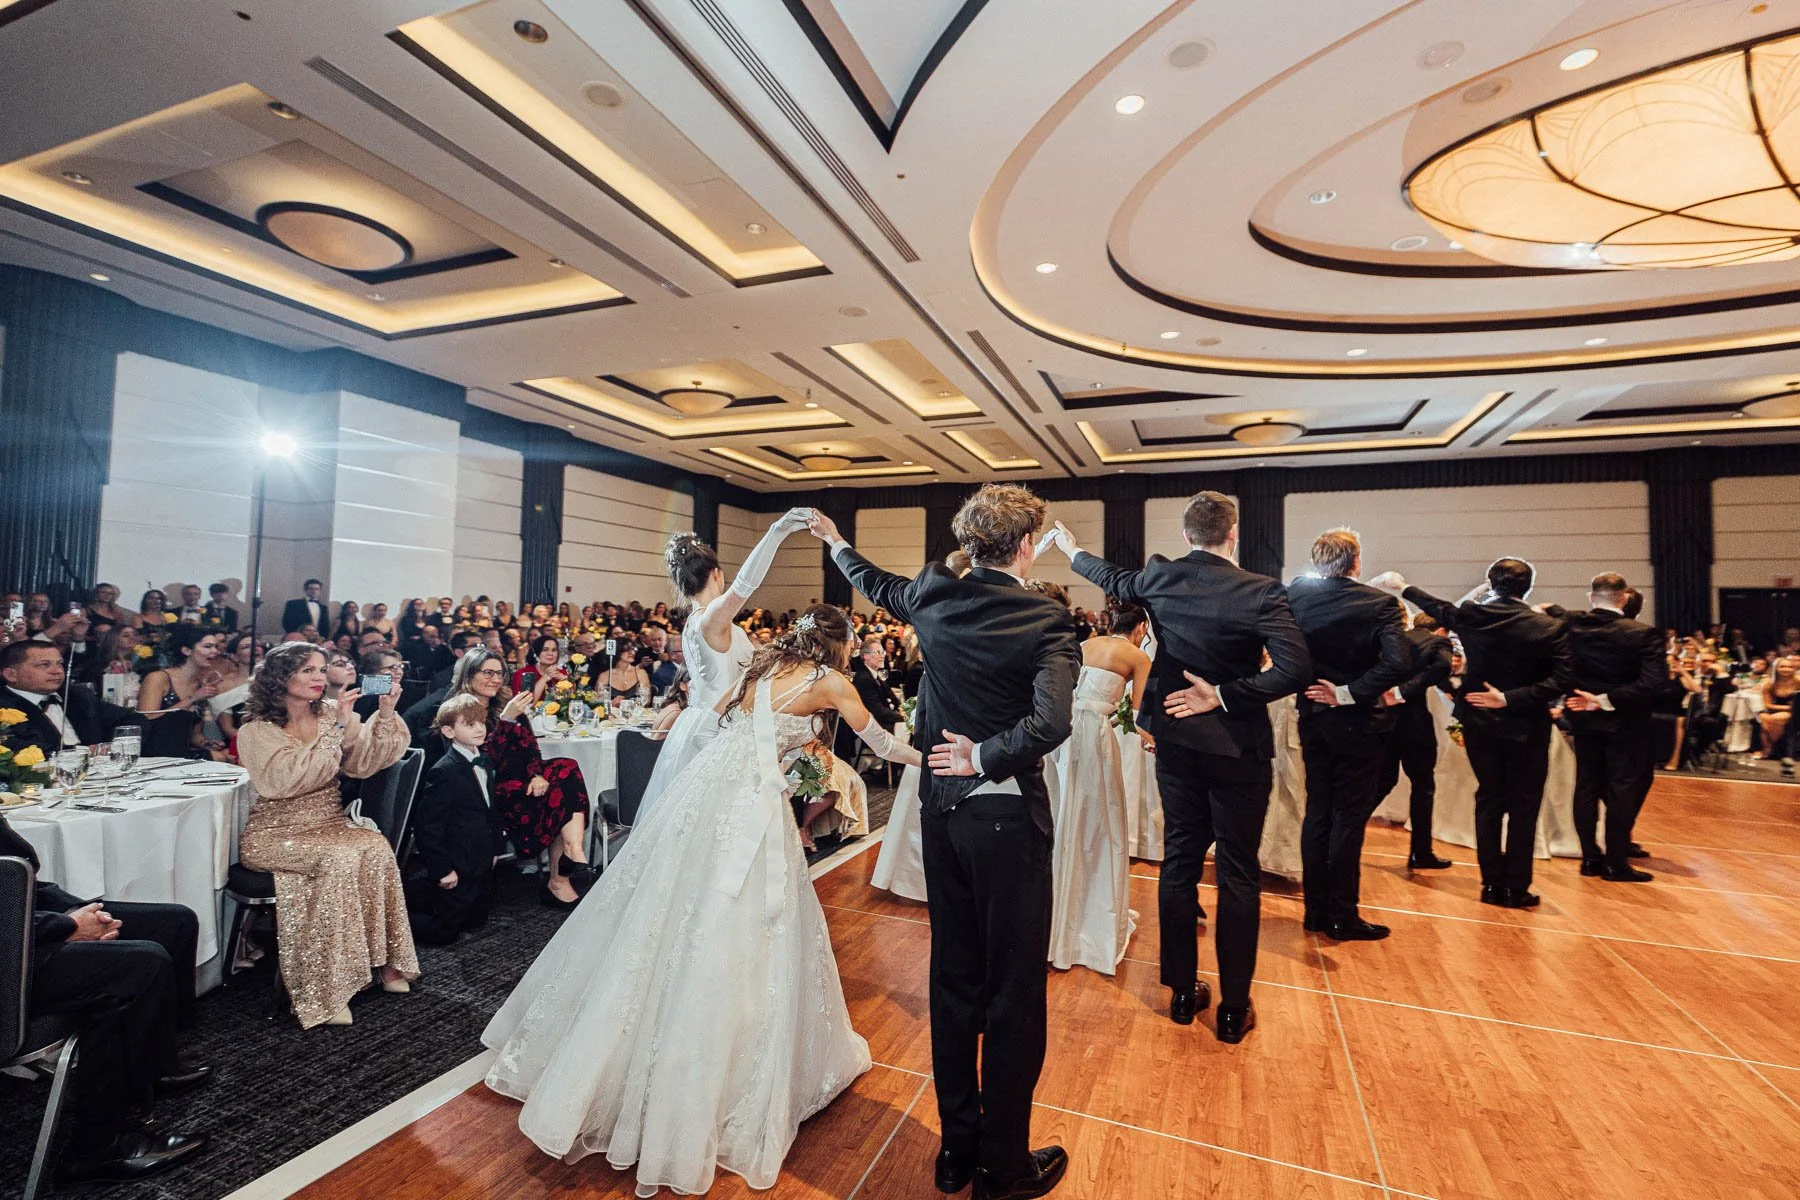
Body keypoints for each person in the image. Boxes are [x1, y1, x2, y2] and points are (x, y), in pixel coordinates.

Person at [484, 605, 913, 1193]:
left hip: (702, 796)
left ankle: (621, 1058)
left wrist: (767, 759)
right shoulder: (830, 680)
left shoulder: (759, 671)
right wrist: (935, 762)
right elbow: (881, 742)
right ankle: (711, 1075)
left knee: (667, 910)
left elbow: (705, 725)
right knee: (739, 920)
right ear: (839, 646)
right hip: (748, 811)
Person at [814, 487, 1080, 1199]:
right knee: (1014, 992)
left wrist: (837, 542)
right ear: (1025, 547)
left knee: (955, 980)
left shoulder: (932, 595)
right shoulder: (1047, 617)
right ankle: (1004, 1165)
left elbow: (873, 582)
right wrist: (987, 755)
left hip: (942, 815)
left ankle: (957, 1149)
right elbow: (1053, 723)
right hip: (1006, 821)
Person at [1047, 491, 1309, 1045]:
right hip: (1237, 748)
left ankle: (1183, 992)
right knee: (1238, 872)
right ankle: (1234, 1007)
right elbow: (1295, 669)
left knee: (1180, 861)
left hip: (1178, 739)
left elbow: (1112, 577)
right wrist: (1225, 694)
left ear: (1187, 536)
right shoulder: (1262, 592)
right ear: (1231, 535)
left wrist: (1071, 551)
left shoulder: (1161, 577)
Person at [3, 814, 213, 1183]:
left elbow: (21, 873)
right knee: (139, 967)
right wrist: (66, 927)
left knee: (174, 923)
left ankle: (151, 1068)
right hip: (9, 961)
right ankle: (96, 1150)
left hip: (21, 927)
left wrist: (82, 914)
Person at [1372, 559, 1573, 909]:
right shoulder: (1548, 627)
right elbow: (1562, 680)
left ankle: (1490, 884)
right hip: (1527, 726)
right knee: (1524, 808)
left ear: (1491, 584)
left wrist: (1401, 586)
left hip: (1479, 723)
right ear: (1527, 587)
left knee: (1489, 800)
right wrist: (1509, 699)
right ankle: (1516, 887)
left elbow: (1436, 607)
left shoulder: (1473, 617)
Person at [235, 642, 417, 1027]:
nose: (319, 678)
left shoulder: (333, 712)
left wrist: (384, 713)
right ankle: (328, 988)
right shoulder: (256, 730)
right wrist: (335, 730)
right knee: (337, 859)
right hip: (276, 832)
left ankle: (383, 962)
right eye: (307, 671)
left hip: (329, 822)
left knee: (375, 846)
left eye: (322, 669)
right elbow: (285, 782)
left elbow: (364, 764)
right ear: (280, 678)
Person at [640, 511, 814, 815]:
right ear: (717, 574)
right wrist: (777, 530)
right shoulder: (710, 620)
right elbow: (747, 583)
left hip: (710, 722)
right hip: (716, 729)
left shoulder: (698, 623)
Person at [1287, 530, 1412, 942]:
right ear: (1356, 563)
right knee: (1348, 818)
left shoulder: (1295, 599)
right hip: (1360, 724)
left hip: (1312, 716)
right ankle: (1341, 915)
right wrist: (1347, 692)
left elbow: (1282, 651)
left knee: (1318, 811)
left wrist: (1311, 687)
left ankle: (1314, 912)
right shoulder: (1380, 604)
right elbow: (1398, 664)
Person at [440, 649, 593, 907]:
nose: (495, 679)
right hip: (489, 788)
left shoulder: (506, 704)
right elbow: (483, 761)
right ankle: (560, 878)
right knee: (562, 794)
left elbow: (531, 745)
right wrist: (506, 719)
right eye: (487, 672)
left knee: (566, 768)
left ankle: (573, 850)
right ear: (469, 674)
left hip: (524, 781)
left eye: (499, 673)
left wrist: (536, 774)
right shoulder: (459, 710)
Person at [1049, 602, 1151, 976]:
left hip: (1063, 734)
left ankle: (1055, 911)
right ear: (1140, 627)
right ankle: (1088, 917)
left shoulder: (1085, 645)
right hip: (1095, 736)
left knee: (1063, 814)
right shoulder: (1137, 656)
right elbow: (1140, 709)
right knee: (1099, 821)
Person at [1550, 573, 1667, 883]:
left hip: (1582, 719)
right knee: (1622, 789)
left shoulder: (1572, 624)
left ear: (1591, 597)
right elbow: (1654, 683)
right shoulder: (1643, 634)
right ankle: (1615, 862)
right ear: (1625, 598)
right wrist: (1603, 699)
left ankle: (1590, 858)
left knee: (1586, 786)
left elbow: (1549, 613)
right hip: (1625, 721)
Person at [405, 694, 507, 944]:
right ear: (449, 731)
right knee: (443, 933)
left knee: (477, 919)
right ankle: (394, 922)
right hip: (457, 863)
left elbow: (491, 811)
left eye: (481, 723)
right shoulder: (443, 771)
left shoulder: (483, 760)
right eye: (469, 724)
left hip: (479, 859)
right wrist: (443, 871)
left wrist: (495, 849)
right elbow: (428, 827)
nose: (479, 729)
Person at [1377, 613, 1455, 871]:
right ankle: (1420, 852)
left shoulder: (1397, 639)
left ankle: (1344, 831)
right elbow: (1443, 668)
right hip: (1415, 724)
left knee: (1382, 781)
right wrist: (1405, 692)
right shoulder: (1438, 643)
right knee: (1423, 787)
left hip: (1385, 721)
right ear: (1441, 629)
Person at [0, 640, 137, 755]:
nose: (57, 671)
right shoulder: (4, 707)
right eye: (44, 665)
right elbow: (18, 748)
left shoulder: (78, 696)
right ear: (11, 675)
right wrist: (86, 752)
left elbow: (132, 719)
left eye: (59, 663)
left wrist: (116, 745)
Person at [136, 624, 226, 757]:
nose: (215, 651)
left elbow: (194, 734)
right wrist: (192, 699)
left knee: (224, 756)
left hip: (181, 750)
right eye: (208, 647)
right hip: (153, 751)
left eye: (216, 647)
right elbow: (145, 720)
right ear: (186, 650)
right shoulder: (158, 678)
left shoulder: (199, 685)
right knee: (220, 759)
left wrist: (205, 743)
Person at [832, 637, 904, 764]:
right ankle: (897, 768)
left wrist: (902, 709)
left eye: (883, 652)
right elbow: (877, 711)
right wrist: (902, 717)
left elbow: (892, 697)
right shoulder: (864, 678)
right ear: (866, 656)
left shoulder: (875, 673)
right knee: (906, 729)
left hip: (882, 719)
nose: (882, 656)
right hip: (875, 724)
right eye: (878, 653)